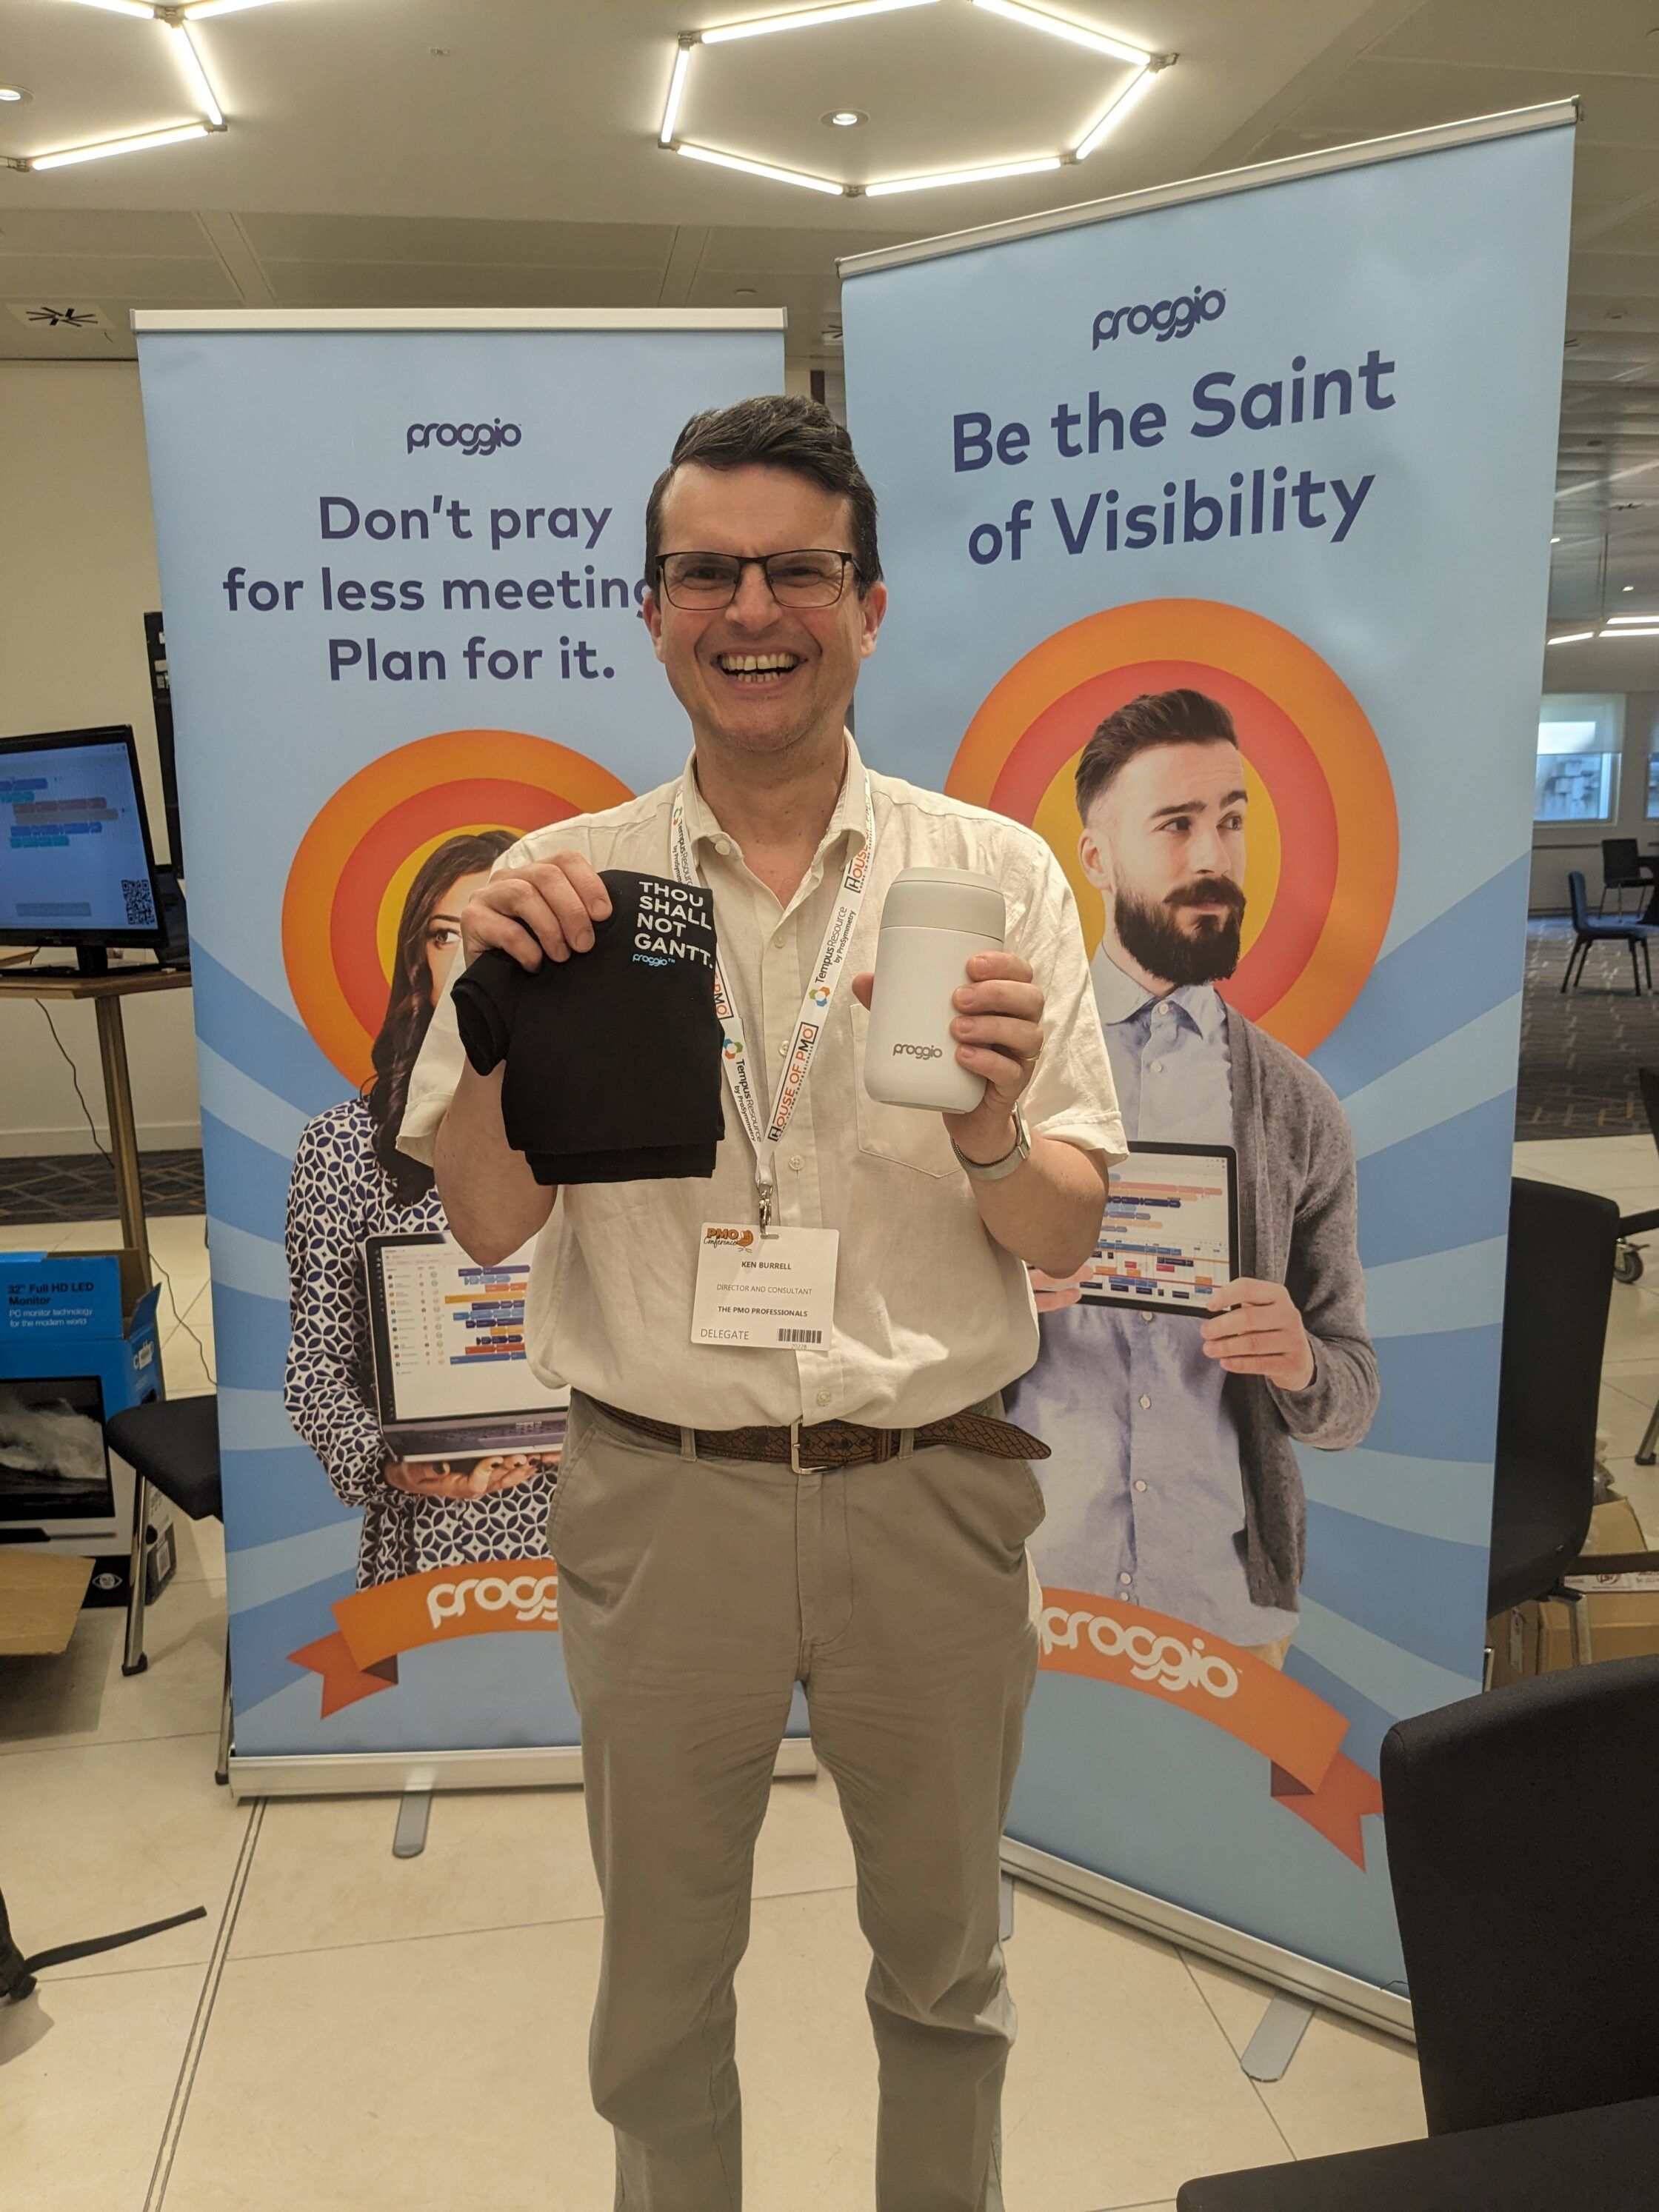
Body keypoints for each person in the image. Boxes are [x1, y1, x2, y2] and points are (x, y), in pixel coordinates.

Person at [398, 395, 1125, 2211]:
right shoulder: (561, 887)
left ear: (867, 604)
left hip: (932, 1487)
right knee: (657, 1995)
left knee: (948, 1974)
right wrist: (478, 1003)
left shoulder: (1000, 877)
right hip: (664, 1497)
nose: (753, 607)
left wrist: (987, 1122)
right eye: (707, 570)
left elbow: (1059, 1234)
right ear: (652, 610)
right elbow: (487, 1223)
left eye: (797, 568)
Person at [1008, 687, 1378, 1668]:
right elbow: (889, 1339)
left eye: (1230, 820)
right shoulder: (1006, 1074)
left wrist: (1296, 1356)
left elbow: (1351, 1392)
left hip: (1228, 1611)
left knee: (1217, 1826)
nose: (1213, 856)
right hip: (1023, 1585)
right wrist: (995, 1304)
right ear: (1096, 859)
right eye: (1176, 825)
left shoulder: (1297, 1111)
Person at [283, 828, 558, 1591]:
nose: (475, 954)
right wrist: (393, 1466)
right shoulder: (341, 1147)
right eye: (450, 933)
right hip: (430, 1538)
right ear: (418, 959)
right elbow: (314, 1371)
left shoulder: (598, 1132)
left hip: (598, 1517)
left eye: (508, 931)